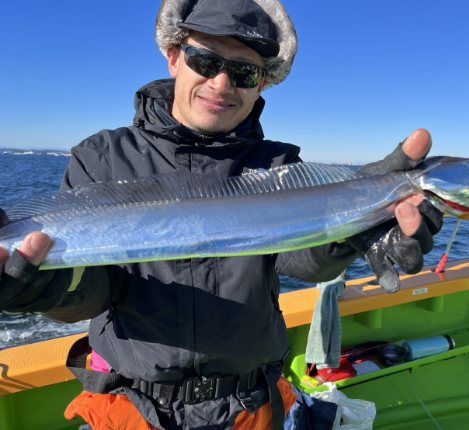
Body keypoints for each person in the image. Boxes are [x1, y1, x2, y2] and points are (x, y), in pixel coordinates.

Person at [0, 0, 442, 428]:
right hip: (131, 407)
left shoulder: (277, 168)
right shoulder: (102, 157)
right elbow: (95, 290)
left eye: (244, 72)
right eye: (205, 61)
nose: (222, 83)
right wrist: (50, 289)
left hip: (251, 405)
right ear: (175, 57)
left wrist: (352, 227)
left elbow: (301, 260)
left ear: (262, 84)